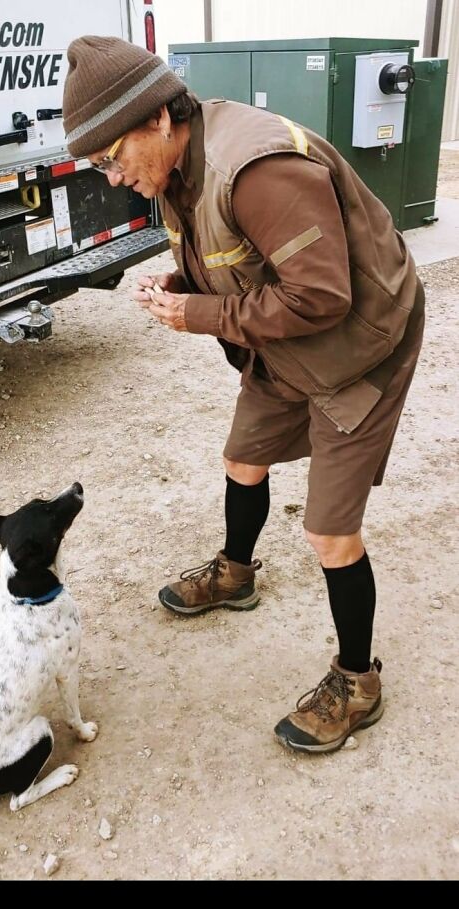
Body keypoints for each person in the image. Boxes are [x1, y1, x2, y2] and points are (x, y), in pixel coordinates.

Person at [62, 36, 424, 754]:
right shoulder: (176, 172)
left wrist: (200, 315)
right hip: (284, 340)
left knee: (328, 530)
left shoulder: (256, 169)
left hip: (360, 344)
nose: (110, 177)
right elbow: (239, 260)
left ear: (159, 119)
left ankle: (358, 680)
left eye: (111, 156)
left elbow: (322, 296)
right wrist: (187, 283)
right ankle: (236, 571)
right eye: (97, 164)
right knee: (243, 459)